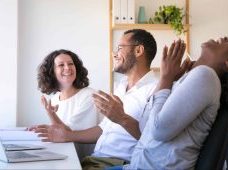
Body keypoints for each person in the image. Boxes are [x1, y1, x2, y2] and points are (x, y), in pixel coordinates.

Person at [33, 29, 159, 169]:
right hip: (94, 160)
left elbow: (154, 140)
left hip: (118, 164)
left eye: (120, 48)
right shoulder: (121, 87)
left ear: (138, 51)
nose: (114, 54)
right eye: (61, 65)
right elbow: (102, 129)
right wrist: (67, 135)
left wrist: (122, 118)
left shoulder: (155, 90)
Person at [110, 37, 228, 170]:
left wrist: (165, 78)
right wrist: (170, 80)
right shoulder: (192, 79)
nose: (224, 38)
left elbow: (158, 131)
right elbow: (145, 128)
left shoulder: (206, 76)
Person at [31, 49, 103, 131]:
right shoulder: (54, 100)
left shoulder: (90, 96)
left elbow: (69, 133)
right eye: (61, 65)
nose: (67, 68)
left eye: (71, 64)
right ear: (52, 72)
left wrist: (51, 115)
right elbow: (59, 132)